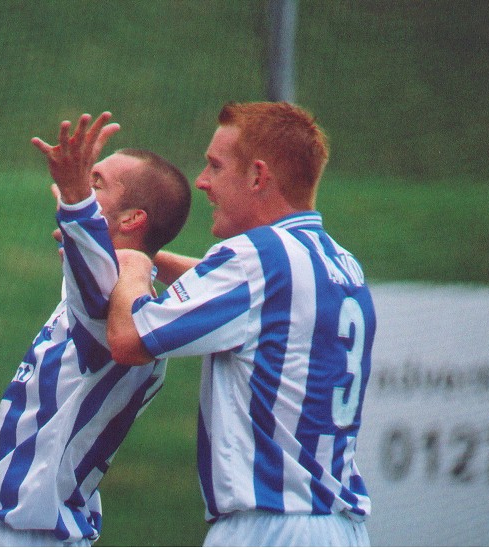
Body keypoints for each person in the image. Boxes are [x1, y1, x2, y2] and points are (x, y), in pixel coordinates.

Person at [106, 101, 375, 547]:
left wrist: (131, 261)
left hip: (270, 526)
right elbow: (239, 292)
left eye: (215, 165)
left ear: (257, 176)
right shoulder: (338, 263)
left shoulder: (256, 257)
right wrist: (158, 259)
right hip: (339, 530)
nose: (202, 181)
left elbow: (128, 339)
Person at [0, 112, 191, 547]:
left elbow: (97, 269)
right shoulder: (116, 295)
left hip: (26, 536)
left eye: (97, 182)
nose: (84, 183)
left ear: (131, 220)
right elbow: (93, 255)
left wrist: (73, 195)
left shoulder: (119, 307)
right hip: (13, 530)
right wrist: (79, 208)